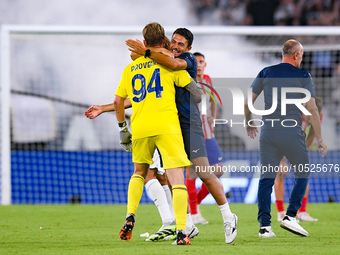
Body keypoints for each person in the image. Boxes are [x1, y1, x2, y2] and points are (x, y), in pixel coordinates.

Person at [126, 28, 238, 244]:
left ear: (189, 48)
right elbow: (134, 55)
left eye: (181, 44)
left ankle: (228, 216)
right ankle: (186, 224)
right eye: (174, 42)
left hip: (190, 124)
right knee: (174, 176)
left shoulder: (186, 60)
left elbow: (175, 66)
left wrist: (147, 52)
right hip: (170, 127)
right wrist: (150, 49)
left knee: (205, 172)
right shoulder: (165, 56)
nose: (176, 47)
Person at [114, 22, 200, 245]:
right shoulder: (170, 67)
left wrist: (123, 129)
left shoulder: (129, 69)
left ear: (143, 43)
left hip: (141, 128)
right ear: (164, 42)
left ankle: (130, 215)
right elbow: (196, 93)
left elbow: (118, 102)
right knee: (176, 178)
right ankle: (182, 231)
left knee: (139, 173)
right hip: (167, 127)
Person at [244, 39, 327, 238]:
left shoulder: (266, 72)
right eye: (302, 55)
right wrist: (320, 139)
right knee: (303, 173)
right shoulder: (303, 75)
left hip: (269, 131)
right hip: (291, 131)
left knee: (266, 180)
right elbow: (313, 109)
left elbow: (248, 102)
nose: (302, 59)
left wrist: (249, 122)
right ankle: (290, 216)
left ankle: (265, 227)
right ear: (296, 55)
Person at [185, 52, 224, 225]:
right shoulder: (185, 79)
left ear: (205, 64)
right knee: (192, 172)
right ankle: (194, 213)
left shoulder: (208, 79)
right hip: (192, 131)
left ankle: (195, 202)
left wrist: (213, 116)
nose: (199, 65)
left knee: (218, 170)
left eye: (201, 62)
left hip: (208, 133)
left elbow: (214, 100)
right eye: (196, 62)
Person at [275, 97, 323, 222]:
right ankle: (280, 212)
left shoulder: (317, 115)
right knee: (280, 173)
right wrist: (282, 161)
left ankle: (302, 212)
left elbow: (312, 132)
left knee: (304, 172)